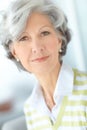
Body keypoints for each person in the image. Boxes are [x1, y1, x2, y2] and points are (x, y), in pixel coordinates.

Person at [0, 0, 87, 129]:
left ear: (59, 39)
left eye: (44, 33)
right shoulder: (30, 108)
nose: (37, 47)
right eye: (24, 38)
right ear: (14, 52)